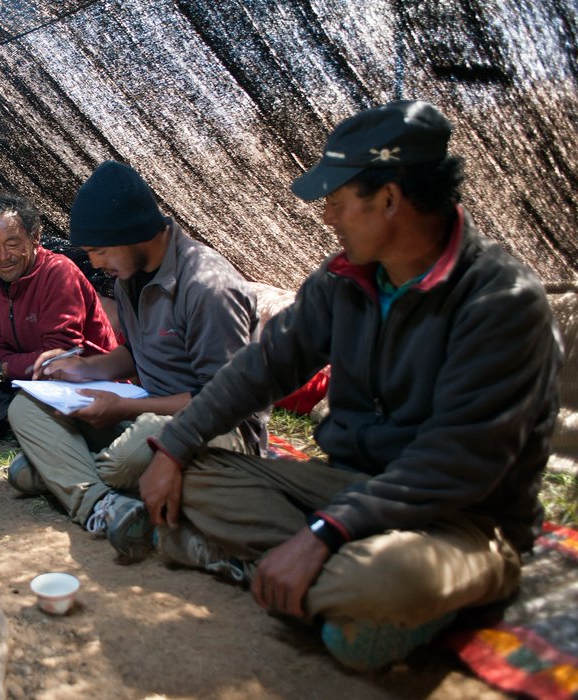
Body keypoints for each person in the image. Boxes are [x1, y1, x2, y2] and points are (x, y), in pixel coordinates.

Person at [138, 100, 562, 670]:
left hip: (461, 518)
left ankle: (326, 582)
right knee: (189, 476)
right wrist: (176, 444)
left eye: (337, 202)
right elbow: (265, 365)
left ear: (388, 200)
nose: (328, 217)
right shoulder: (343, 280)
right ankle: (332, 593)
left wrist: (322, 534)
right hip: (345, 487)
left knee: (384, 578)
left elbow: (457, 461)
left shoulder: (500, 301)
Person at [7, 161, 265, 554]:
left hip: (214, 426)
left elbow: (224, 401)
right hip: (146, 414)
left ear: (133, 235)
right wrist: (84, 368)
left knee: (125, 458)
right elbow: (137, 349)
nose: (95, 264)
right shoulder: (130, 274)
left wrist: (124, 408)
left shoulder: (206, 287)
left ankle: (67, 476)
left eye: (99, 251)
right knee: (25, 407)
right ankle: (101, 503)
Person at [0, 193, 118, 438]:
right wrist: (5, 366)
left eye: (12, 244)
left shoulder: (58, 272)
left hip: (78, 381)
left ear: (34, 238)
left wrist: (5, 367)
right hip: (27, 376)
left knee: (29, 386)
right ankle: (13, 417)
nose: (2, 257)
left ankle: (10, 418)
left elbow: (59, 356)